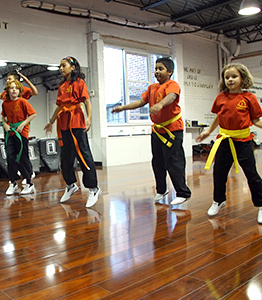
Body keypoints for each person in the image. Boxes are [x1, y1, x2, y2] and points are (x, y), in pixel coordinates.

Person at [112, 57, 191, 205]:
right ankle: (161, 190)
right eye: (155, 69)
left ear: (170, 72)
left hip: (172, 130)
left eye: (160, 69)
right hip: (157, 131)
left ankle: (183, 192)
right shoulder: (152, 87)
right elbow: (140, 102)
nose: (156, 71)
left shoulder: (172, 85)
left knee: (174, 162)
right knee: (157, 162)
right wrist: (122, 108)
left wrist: (160, 105)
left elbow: (172, 96)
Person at [196, 63, 262, 224]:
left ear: (243, 78)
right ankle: (219, 200)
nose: (230, 80)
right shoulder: (221, 98)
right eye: (227, 77)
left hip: (244, 142)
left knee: (252, 175)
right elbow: (218, 117)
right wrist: (208, 131)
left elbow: (256, 120)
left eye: (234, 76)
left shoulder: (249, 98)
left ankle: (261, 204)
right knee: (219, 172)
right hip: (224, 141)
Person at [44, 56, 101, 207]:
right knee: (65, 157)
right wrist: (51, 121)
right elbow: (59, 106)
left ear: (73, 67)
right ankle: (70, 185)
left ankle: (93, 188)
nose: (61, 69)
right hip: (64, 123)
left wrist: (89, 118)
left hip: (76, 121)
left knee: (83, 154)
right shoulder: (62, 86)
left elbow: (87, 101)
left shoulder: (79, 82)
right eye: (60, 66)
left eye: (63, 65)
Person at [1, 70, 37, 184]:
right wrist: (5, 124)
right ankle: (14, 180)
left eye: (10, 79)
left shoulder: (21, 95)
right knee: (11, 156)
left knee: (22, 154)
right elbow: (4, 113)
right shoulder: (5, 97)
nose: (8, 81)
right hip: (10, 127)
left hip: (21, 125)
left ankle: (28, 175)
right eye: (7, 80)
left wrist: (27, 80)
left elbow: (35, 92)